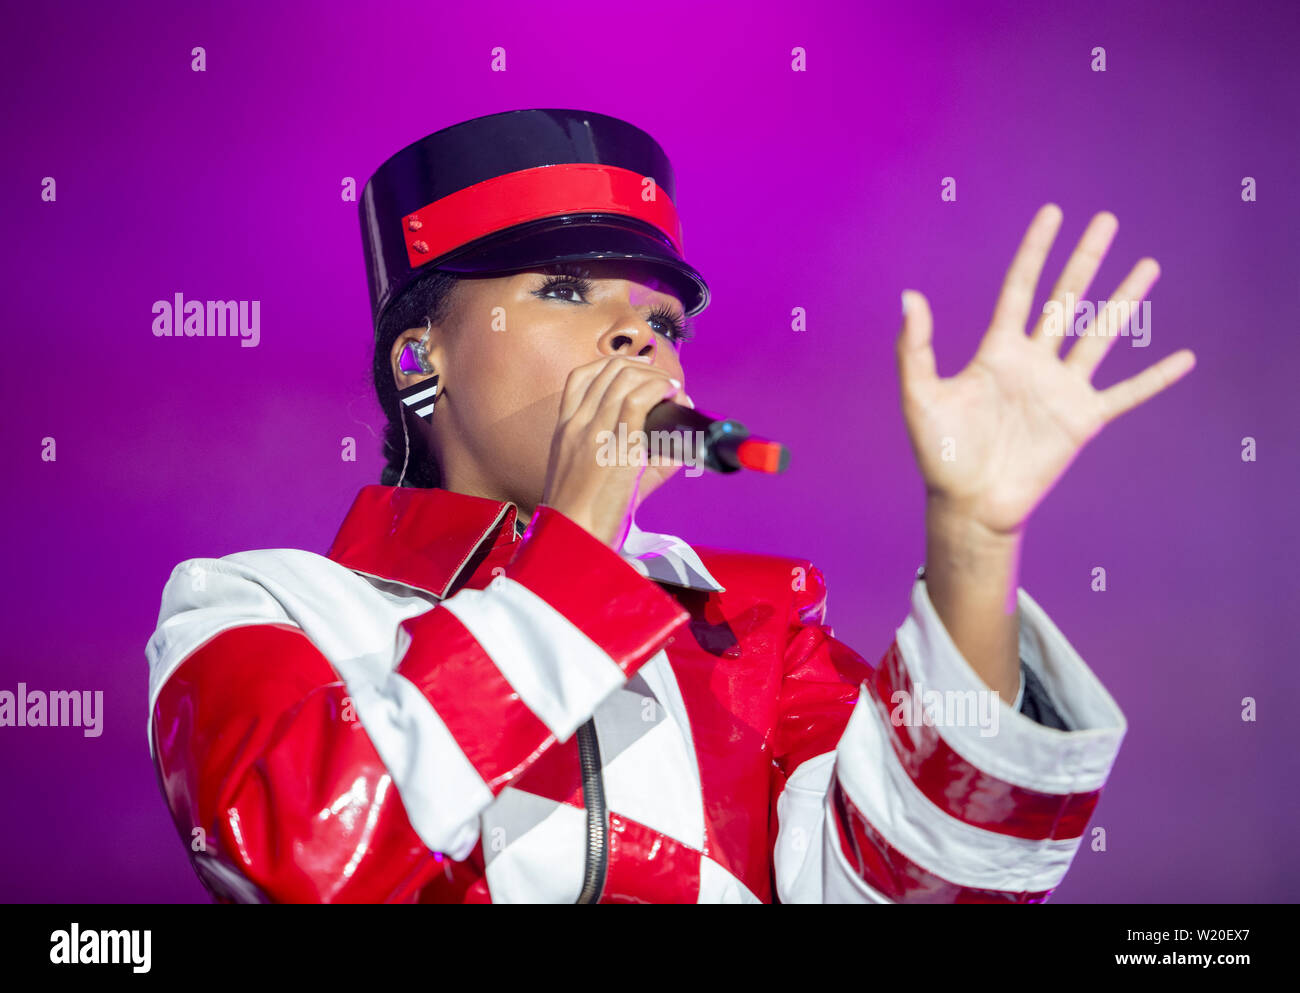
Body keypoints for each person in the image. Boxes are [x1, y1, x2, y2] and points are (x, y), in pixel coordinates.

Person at [144, 108, 1195, 903]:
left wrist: (973, 540)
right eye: (563, 292)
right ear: (420, 359)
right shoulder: (263, 604)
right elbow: (302, 852)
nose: (637, 339)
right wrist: (580, 544)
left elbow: (935, 889)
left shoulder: (753, 623)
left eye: (661, 322)